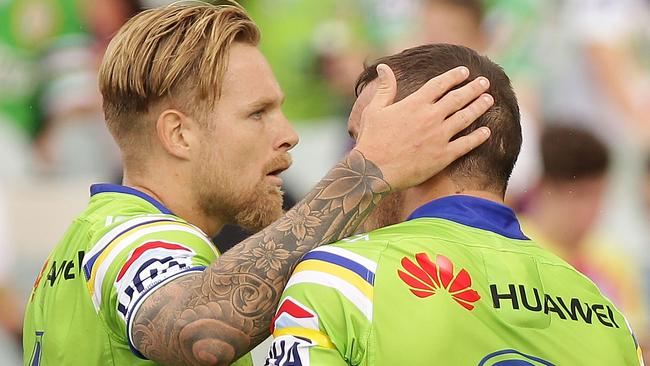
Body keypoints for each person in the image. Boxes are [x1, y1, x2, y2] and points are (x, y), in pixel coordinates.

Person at [23, 4, 494, 366]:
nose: (288, 133)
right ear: (178, 134)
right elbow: (197, 328)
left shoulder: (83, 243)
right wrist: (368, 171)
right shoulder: (131, 237)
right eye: (257, 113)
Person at [265, 44, 643, 365]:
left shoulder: (343, 278)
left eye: (364, 140)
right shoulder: (609, 316)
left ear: (418, 144)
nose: (351, 160)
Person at [522, 124, 648, 352]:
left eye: (598, 194)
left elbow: (637, 341)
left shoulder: (614, 260)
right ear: (543, 187)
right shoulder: (512, 246)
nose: (591, 209)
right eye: (579, 196)